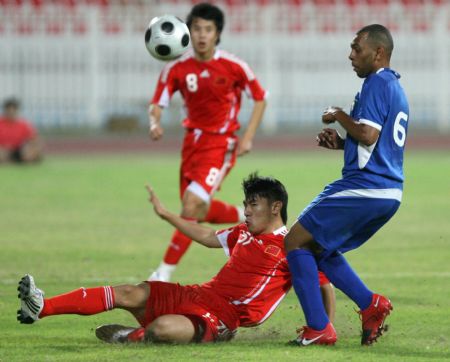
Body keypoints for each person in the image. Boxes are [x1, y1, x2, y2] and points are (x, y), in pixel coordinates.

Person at [17, 174, 335, 344]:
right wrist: (169, 214)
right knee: (132, 291)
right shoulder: (243, 232)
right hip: (196, 294)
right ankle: (42, 308)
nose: (247, 210)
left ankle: (130, 337)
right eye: (246, 204)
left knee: (164, 329)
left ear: (276, 207)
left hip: (222, 318)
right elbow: (207, 236)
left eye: (253, 204)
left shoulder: (293, 246)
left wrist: (325, 327)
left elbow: (324, 287)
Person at [284, 24, 409, 346]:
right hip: (386, 191)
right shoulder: (393, 87)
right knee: (319, 247)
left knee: (295, 241)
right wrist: (341, 144)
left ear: (378, 53)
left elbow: (367, 135)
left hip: (367, 186)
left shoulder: (376, 83)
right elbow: (375, 143)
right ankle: (371, 305)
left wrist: (339, 114)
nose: (351, 55)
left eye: (357, 48)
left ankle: (319, 329)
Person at [147, 3, 267, 282]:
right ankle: (242, 213)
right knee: (196, 210)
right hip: (191, 145)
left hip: (221, 144)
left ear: (217, 33)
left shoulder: (234, 66)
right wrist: (154, 123)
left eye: (208, 30)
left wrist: (247, 138)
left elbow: (260, 97)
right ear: (188, 32)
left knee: (189, 207)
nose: (202, 35)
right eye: (197, 29)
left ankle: (161, 274)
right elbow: (157, 103)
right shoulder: (176, 68)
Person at [0, 97, 43, 163]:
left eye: (13, 110)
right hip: (3, 150)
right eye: (9, 110)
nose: (11, 112)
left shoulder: (24, 124)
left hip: (19, 150)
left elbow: (35, 140)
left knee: (29, 152)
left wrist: (32, 150)